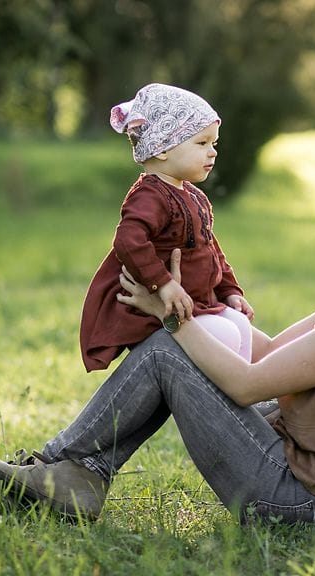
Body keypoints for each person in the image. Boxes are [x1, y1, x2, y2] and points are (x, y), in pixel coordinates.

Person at [0, 132, 315, 525]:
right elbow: (263, 353)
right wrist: (210, 306)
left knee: (167, 350)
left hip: (313, 501)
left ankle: (61, 468)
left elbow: (247, 383)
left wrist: (170, 315)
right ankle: (73, 474)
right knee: (183, 348)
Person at [79, 82, 254, 372]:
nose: (212, 152)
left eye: (213, 144)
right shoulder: (150, 195)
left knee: (239, 324)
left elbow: (211, 250)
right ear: (162, 148)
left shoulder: (194, 195)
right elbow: (128, 240)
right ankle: (209, 393)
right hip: (157, 305)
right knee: (226, 334)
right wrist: (163, 284)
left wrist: (230, 291)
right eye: (202, 143)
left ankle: (238, 392)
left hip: (196, 303)